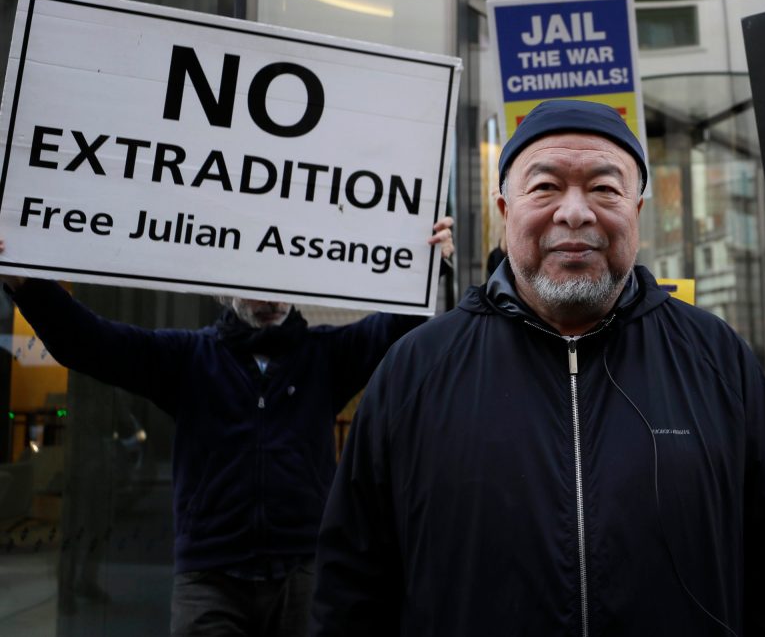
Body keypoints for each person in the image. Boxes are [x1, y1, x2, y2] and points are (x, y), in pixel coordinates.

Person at [309, 99, 765, 636]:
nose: (575, 212)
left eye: (604, 188)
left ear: (637, 212)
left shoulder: (718, 359)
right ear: (505, 212)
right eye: (546, 186)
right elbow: (351, 589)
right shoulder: (416, 368)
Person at [0, 216, 454, 637]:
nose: (269, 294)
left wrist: (432, 264)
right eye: (254, 279)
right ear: (223, 287)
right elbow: (90, 343)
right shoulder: (189, 359)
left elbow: (400, 327)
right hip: (210, 580)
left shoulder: (324, 356)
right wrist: (27, 286)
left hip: (303, 573)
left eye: (279, 278)